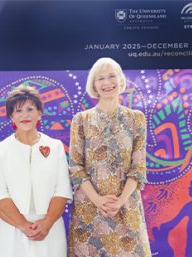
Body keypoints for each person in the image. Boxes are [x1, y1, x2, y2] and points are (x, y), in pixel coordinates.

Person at [68, 57, 151, 256]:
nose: (107, 83)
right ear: (94, 85)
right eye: (101, 78)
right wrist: (98, 200)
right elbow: (75, 167)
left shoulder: (136, 118)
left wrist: (120, 201)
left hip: (126, 206)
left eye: (112, 76)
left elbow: (138, 168)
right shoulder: (81, 120)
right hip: (89, 208)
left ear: (120, 80)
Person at [0, 85, 72, 257]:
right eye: (18, 110)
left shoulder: (55, 147)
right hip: (10, 229)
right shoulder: (0, 150)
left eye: (30, 109)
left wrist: (47, 223)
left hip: (49, 230)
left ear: (39, 113)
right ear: (11, 116)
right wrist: (23, 226)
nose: (24, 115)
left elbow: (62, 190)